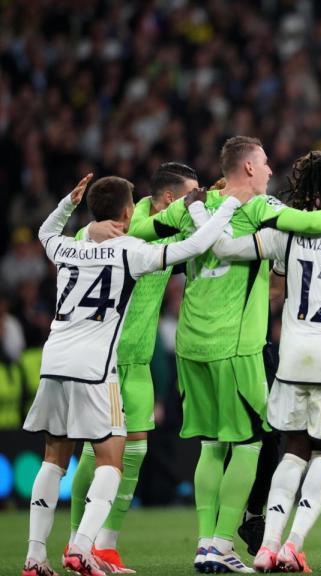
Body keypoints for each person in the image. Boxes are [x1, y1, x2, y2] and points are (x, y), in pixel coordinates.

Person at [92, 137, 321, 572]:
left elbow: (137, 229)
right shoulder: (257, 208)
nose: (272, 170)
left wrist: (94, 229)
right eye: (265, 163)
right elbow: (309, 224)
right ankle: (221, 543)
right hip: (235, 346)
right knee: (252, 442)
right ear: (250, 169)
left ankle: (205, 543)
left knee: (212, 445)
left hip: (190, 344)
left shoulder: (189, 205)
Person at [22, 173, 242, 576]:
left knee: (53, 460)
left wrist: (72, 210)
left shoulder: (69, 247)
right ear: (128, 212)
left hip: (53, 362)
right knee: (112, 461)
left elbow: (45, 231)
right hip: (95, 369)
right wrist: (227, 206)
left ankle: (35, 557)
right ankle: (83, 548)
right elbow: (194, 245)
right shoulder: (131, 251)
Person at [204, 152, 321, 572]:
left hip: (291, 358)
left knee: (293, 452)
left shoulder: (286, 233)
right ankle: (292, 545)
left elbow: (222, 247)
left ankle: (268, 547)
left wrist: (216, 206)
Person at [66, 162, 199, 573]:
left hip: (139, 359)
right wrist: (87, 231)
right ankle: (77, 541)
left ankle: (106, 546)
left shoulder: (175, 227)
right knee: (98, 450)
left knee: (136, 450)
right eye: (192, 195)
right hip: (104, 357)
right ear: (171, 200)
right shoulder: (133, 221)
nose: (199, 203)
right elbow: (79, 240)